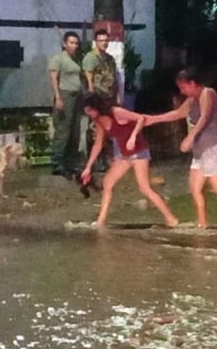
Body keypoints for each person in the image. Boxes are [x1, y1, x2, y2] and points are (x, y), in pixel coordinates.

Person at [146, 69, 217, 230]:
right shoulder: (192, 100)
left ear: (192, 83)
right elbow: (178, 113)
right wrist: (153, 119)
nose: (182, 91)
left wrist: (190, 137)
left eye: (184, 87)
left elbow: (205, 117)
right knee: (195, 187)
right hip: (201, 151)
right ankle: (202, 223)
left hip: (215, 147)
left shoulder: (208, 93)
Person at [79, 93, 179, 229]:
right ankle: (101, 220)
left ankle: (171, 218)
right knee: (108, 182)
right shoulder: (99, 121)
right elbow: (98, 144)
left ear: (97, 107)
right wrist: (88, 167)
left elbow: (140, 118)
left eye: (90, 110)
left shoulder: (117, 112)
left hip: (138, 151)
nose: (89, 113)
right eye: (87, 111)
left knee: (144, 188)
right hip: (124, 155)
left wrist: (133, 136)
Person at [48, 31, 84, 176]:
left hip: (77, 96)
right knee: (63, 129)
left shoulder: (76, 60)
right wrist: (58, 97)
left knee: (75, 130)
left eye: (76, 43)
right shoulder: (58, 59)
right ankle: (57, 163)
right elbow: (53, 78)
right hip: (65, 94)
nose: (74, 46)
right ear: (64, 43)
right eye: (71, 43)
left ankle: (71, 163)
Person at [83, 29, 119, 170]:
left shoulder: (110, 59)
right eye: (101, 40)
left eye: (106, 40)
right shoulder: (91, 58)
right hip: (97, 98)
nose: (104, 43)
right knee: (95, 130)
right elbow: (88, 77)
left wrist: (116, 96)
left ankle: (106, 158)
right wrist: (92, 98)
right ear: (96, 41)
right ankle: (95, 160)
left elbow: (114, 79)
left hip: (108, 98)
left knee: (108, 128)